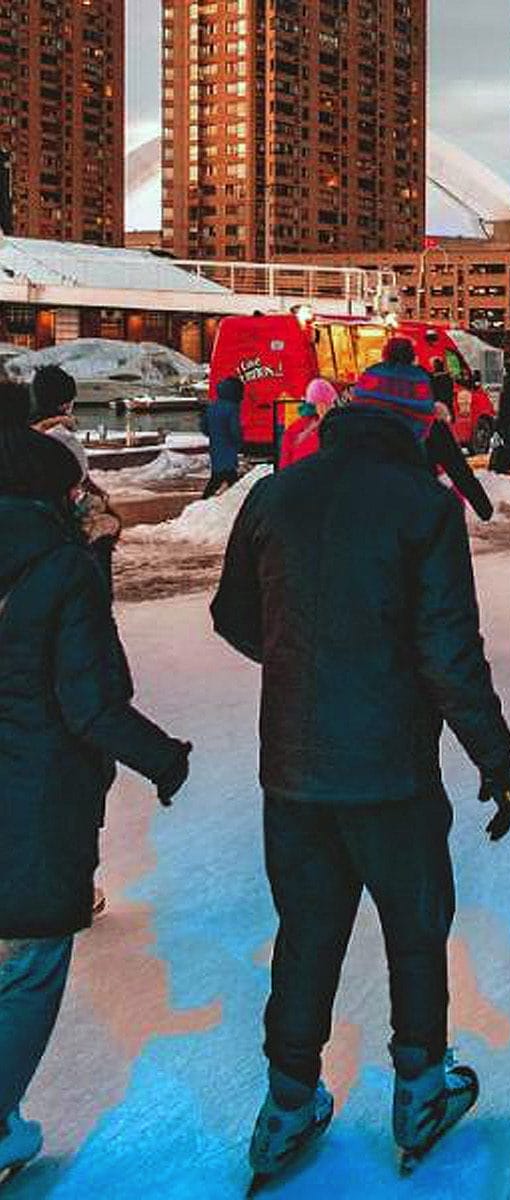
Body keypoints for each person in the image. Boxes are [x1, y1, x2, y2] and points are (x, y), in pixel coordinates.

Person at [210, 358, 510, 1190]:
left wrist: (305, 665)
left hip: (296, 766)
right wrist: (493, 754)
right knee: (414, 929)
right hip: (391, 771)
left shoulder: (276, 494)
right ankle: (419, 1092)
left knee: (306, 932)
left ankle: (286, 1104)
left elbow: (232, 616)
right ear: (421, 429)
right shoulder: (425, 507)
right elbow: (450, 653)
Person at [1, 382, 192, 1188]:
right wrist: (164, 758)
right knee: (30, 963)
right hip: (32, 798)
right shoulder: (61, 572)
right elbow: (90, 702)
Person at [30, 364, 122, 599]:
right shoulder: (63, 437)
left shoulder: (24, 433)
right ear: (65, 403)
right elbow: (77, 475)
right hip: (62, 523)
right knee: (105, 528)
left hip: (33, 520)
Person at [427, 373, 494, 520]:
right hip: (419, 506)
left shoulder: (377, 422)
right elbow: (458, 469)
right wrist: (483, 508)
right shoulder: (433, 426)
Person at [202, 375, 246, 498]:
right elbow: (234, 429)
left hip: (215, 445)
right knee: (224, 476)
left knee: (220, 474)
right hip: (228, 446)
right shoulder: (232, 408)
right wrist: (239, 441)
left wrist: (214, 434)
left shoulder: (212, 406)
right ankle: (205, 501)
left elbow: (204, 427)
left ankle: (233, 498)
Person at [277, 379, 335, 470]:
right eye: (332, 403)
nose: (333, 406)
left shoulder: (293, 428)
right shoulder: (331, 429)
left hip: (293, 479)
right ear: (322, 405)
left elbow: (283, 465)